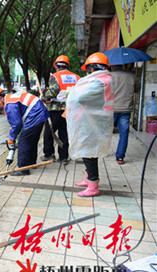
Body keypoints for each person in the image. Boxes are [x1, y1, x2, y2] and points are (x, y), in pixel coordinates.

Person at [66, 52, 114, 197]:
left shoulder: (99, 82)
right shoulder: (104, 79)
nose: (87, 72)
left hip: (93, 121)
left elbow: (80, 98)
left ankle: (93, 185)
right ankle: (88, 178)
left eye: (88, 69)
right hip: (94, 119)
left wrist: (70, 93)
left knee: (89, 152)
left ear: (93, 68)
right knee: (89, 151)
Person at [0, 87, 49, 176]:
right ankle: (31, 163)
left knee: (23, 141)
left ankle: (23, 168)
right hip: (40, 113)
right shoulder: (11, 98)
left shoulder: (10, 104)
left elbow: (17, 124)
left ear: (0, 98)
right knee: (31, 140)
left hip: (35, 115)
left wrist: (11, 137)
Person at [40, 55, 80, 165]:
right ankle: (63, 157)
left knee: (48, 132)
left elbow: (52, 92)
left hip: (55, 109)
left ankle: (49, 154)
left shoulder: (55, 76)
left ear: (56, 66)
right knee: (64, 133)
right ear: (67, 65)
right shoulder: (76, 77)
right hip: (70, 109)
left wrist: (44, 96)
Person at [110, 64, 137, 164]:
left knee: (104, 132)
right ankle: (120, 157)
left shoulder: (108, 76)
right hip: (125, 109)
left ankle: (101, 152)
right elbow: (137, 89)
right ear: (123, 66)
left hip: (110, 109)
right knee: (124, 134)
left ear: (112, 66)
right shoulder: (132, 76)